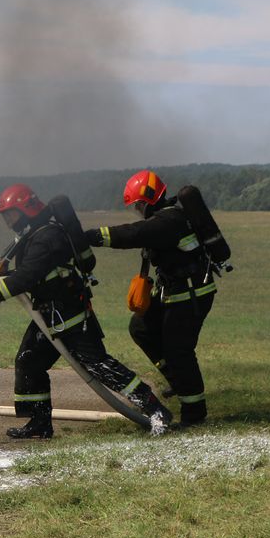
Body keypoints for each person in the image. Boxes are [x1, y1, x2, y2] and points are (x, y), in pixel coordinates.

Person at [0, 183, 172, 439]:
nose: (8, 221)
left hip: (71, 316)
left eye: (11, 214)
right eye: (5, 216)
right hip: (48, 315)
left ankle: (156, 410)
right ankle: (40, 423)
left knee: (100, 366)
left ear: (26, 209)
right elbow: (30, 272)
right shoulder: (32, 235)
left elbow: (28, 276)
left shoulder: (47, 236)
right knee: (29, 361)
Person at [84, 170, 215, 427]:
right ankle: (178, 380)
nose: (138, 211)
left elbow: (133, 234)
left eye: (138, 205)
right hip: (174, 291)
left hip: (191, 294)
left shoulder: (168, 220)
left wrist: (90, 236)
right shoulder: (165, 218)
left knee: (178, 351)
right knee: (141, 327)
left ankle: (194, 414)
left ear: (148, 200)